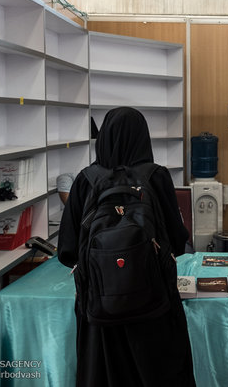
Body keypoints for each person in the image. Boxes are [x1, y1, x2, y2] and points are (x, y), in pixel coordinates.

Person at [57, 107, 196, 387]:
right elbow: (178, 242)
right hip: (154, 304)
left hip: (99, 307)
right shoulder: (156, 175)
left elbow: (67, 250)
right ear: (144, 137)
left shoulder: (86, 179)